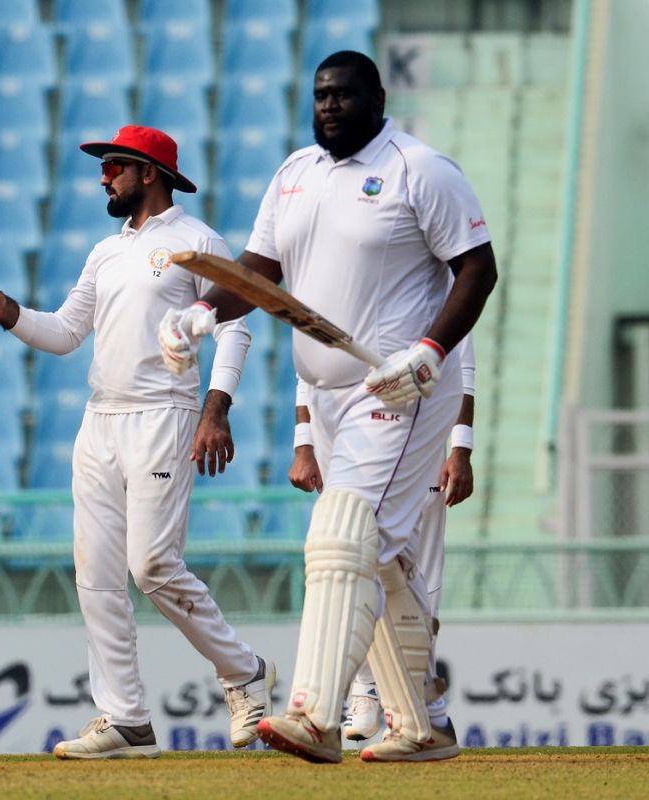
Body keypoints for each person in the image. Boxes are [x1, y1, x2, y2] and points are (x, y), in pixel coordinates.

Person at [158, 51, 497, 763]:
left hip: (397, 391)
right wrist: (202, 316)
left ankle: (315, 713)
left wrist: (430, 352)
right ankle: (422, 723)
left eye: (343, 95)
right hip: (333, 396)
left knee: (341, 536)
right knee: (377, 559)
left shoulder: (420, 168)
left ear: (376, 97)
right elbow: (261, 275)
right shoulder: (294, 174)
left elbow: (478, 268)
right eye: (320, 96)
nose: (329, 106)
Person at [0, 125, 276, 760]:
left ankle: (244, 672)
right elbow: (64, 332)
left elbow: (235, 327)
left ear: (148, 173)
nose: (102, 178)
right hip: (100, 419)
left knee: (153, 566)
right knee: (98, 577)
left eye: (113, 167)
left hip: (164, 414)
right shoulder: (105, 253)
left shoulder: (197, 242)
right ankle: (124, 716)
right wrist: (8, 312)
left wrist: (216, 408)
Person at [288, 334, 477, 742]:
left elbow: (463, 366)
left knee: (414, 573)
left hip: (414, 435)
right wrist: (303, 443)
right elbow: (310, 368)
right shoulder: (332, 280)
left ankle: (403, 700)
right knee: (351, 554)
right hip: (343, 440)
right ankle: (381, 698)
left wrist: (461, 448)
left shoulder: (434, 277)